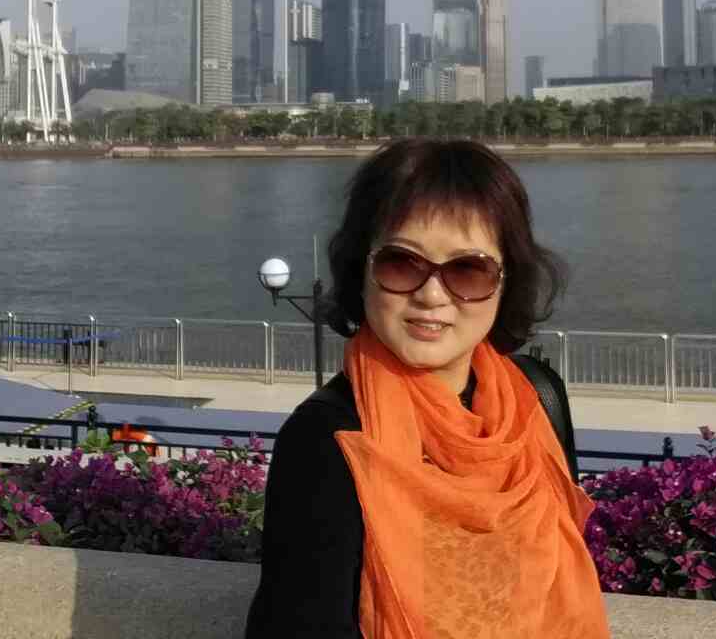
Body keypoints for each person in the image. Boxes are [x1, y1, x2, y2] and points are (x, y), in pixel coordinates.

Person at [246, 138, 608, 639]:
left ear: (506, 282)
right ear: (361, 270)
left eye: (468, 269)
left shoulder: (536, 400)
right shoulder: (326, 439)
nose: (432, 295)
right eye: (402, 263)